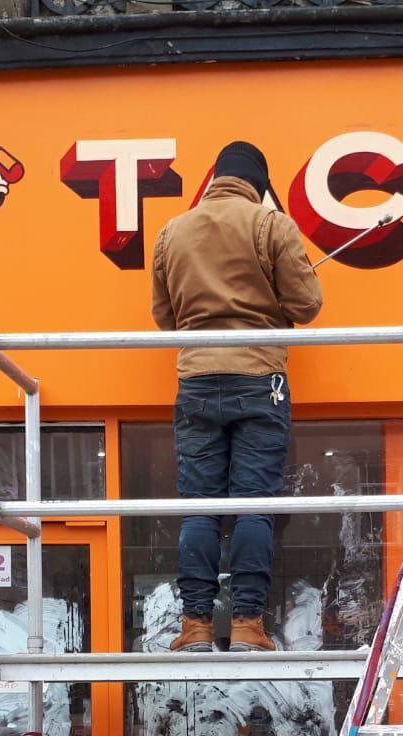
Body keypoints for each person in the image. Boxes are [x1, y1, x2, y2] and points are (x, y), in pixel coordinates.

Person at [151, 141, 323, 652]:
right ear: (258, 183)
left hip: (197, 379)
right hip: (260, 377)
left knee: (200, 507)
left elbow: (164, 319)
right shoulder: (272, 225)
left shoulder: (171, 232)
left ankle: (196, 626)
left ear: (214, 180)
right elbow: (308, 303)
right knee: (253, 504)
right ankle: (248, 625)